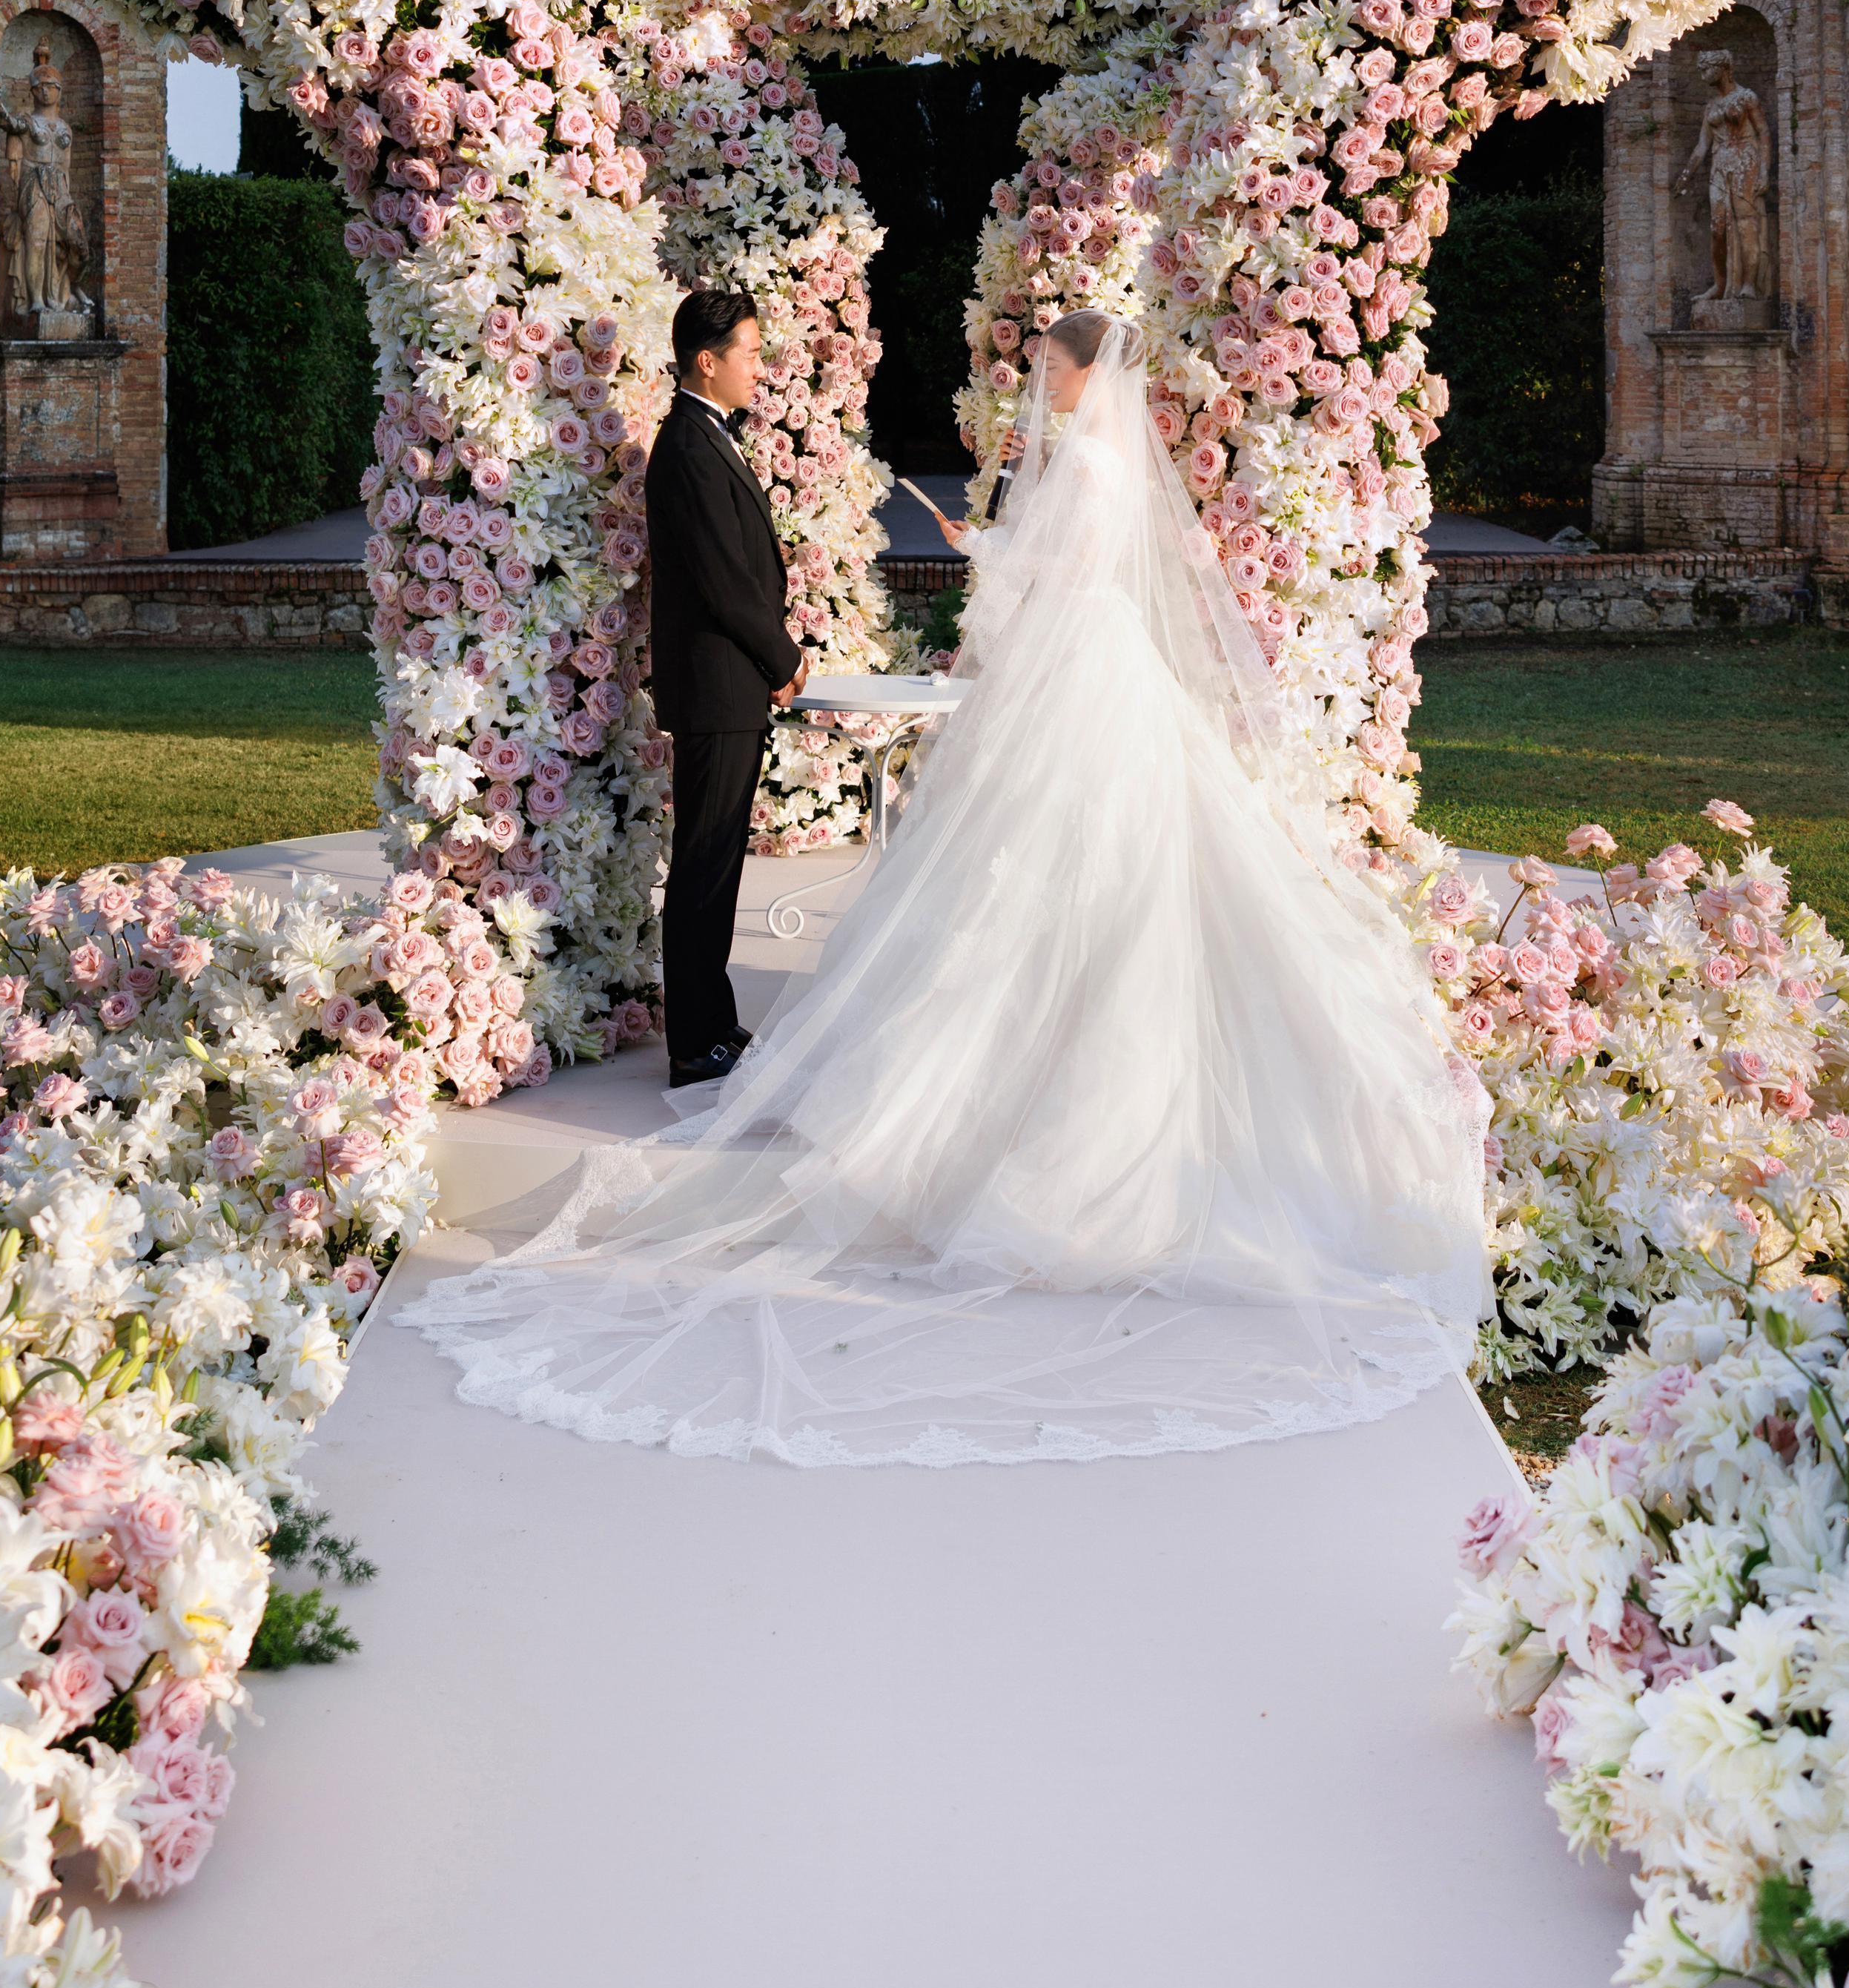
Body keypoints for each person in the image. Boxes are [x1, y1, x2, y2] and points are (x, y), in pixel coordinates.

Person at [403, 308, 1490, 1467]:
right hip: (1101, 672)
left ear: (1083, 375)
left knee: (1046, 869)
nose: (1041, 384)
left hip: (1081, 673)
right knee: (1095, 868)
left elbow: (1053, 580)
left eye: (1049, 369)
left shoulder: (1086, 465)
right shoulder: (1109, 463)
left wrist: (982, 551)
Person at [641, 286, 808, 1089]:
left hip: (727, 685)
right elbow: (723, 582)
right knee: (704, 864)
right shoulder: (685, 445)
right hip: (716, 686)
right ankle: (691, 1042)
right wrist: (783, 659)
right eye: (748, 351)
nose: (758, 366)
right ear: (706, 362)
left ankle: (712, 1021)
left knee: (717, 863)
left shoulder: (706, 436)